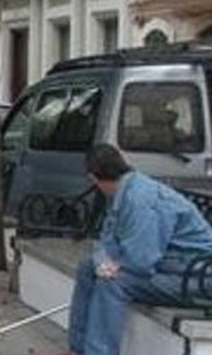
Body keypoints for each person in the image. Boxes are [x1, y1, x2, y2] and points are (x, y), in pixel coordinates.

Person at [62, 144, 212, 355]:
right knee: (88, 267)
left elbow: (142, 261)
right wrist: (103, 261)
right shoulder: (124, 191)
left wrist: (115, 267)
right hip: (170, 267)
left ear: (94, 178)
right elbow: (107, 238)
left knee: (113, 284)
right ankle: (77, 349)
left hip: (194, 278)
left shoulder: (142, 200)